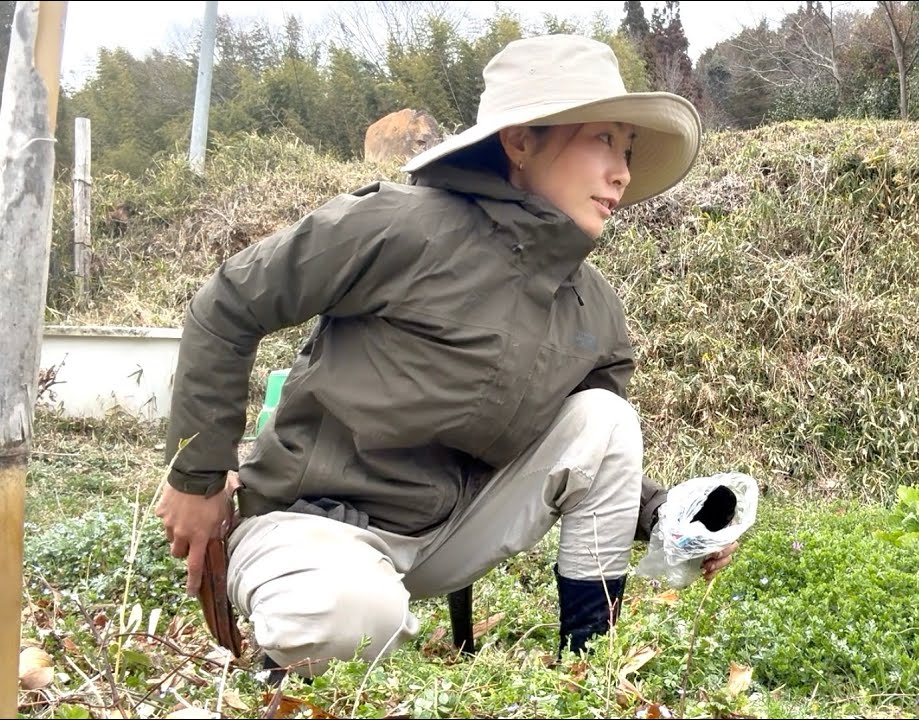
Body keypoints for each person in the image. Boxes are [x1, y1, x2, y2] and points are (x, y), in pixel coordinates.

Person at [154, 33, 740, 679]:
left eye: (628, 151)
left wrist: (667, 519)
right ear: (521, 142)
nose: (622, 172)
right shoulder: (395, 226)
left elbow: (592, 454)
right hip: (314, 522)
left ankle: (588, 666)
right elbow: (229, 304)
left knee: (604, 415)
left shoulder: (592, 306)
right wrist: (197, 478)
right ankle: (311, 634)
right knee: (345, 621)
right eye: (602, 139)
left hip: (452, 534)